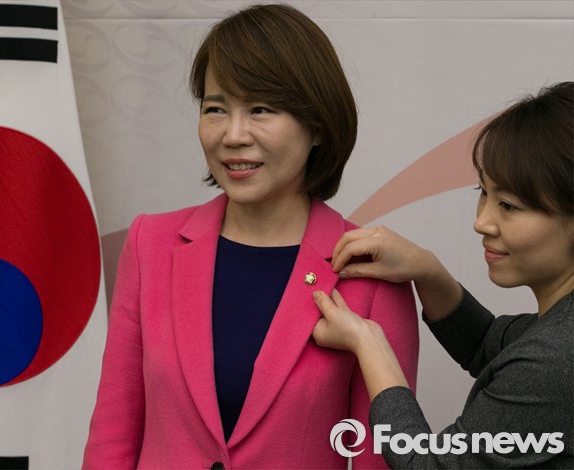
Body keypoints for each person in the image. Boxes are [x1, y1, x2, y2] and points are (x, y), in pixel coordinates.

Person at [83, 4, 419, 469]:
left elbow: (378, 460)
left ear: (318, 127)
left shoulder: (371, 270)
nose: (233, 134)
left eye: (261, 109)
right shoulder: (150, 244)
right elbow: (111, 439)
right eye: (215, 109)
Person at [312, 81, 573, 468]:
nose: (482, 222)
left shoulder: (554, 361)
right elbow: (487, 344)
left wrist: (370, 345)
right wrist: (428, 270)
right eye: (482, 192)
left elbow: (426, 463)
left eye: (508, 205)